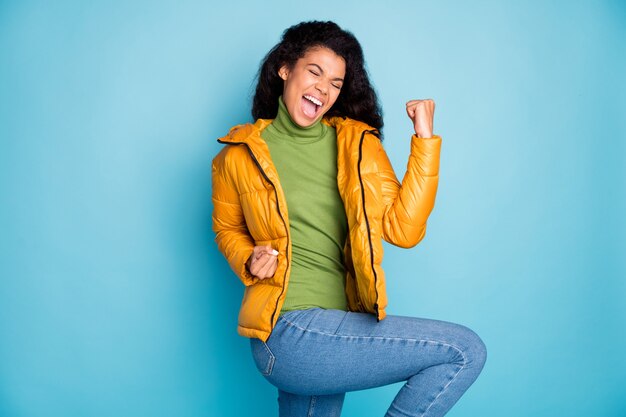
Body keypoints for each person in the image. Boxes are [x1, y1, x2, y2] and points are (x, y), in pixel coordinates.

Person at [212, 20, 486, 417]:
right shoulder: (236, 155)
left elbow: (403, 230)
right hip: (287, 332)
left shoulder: (357, 144)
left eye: (336, 83)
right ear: (285, 68)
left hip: (332, 330)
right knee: (462, 351)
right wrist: (247, 259)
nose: (323, 89)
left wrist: (424, 141)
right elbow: (227, 227)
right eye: (315, 71)